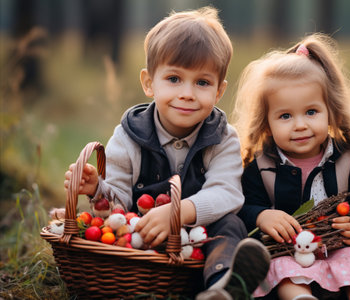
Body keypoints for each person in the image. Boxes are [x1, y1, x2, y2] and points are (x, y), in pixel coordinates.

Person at [64, 7, 270, 299]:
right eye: (174, 79)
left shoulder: (222, 137)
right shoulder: (128, 136)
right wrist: (97, 189)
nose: (187, 93)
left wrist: (177, 213)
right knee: (113, 226)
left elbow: (228, 194)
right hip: (144, 233)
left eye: (202, 82)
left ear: (219, 91)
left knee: (231, 224)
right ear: (149, 83)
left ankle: (224, 285)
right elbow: (119, 205)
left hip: (200, 238)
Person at [233, 33, 350, 300]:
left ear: (330, 111)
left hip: (339, 248)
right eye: (285, 116)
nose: (300, 125)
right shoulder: (262, 166)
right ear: (266, 124)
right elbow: (242, 208)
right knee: (280, 266)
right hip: (290, 252)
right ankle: (298, 296)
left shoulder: (347, 160)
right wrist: (261, 216)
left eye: (311, 112)